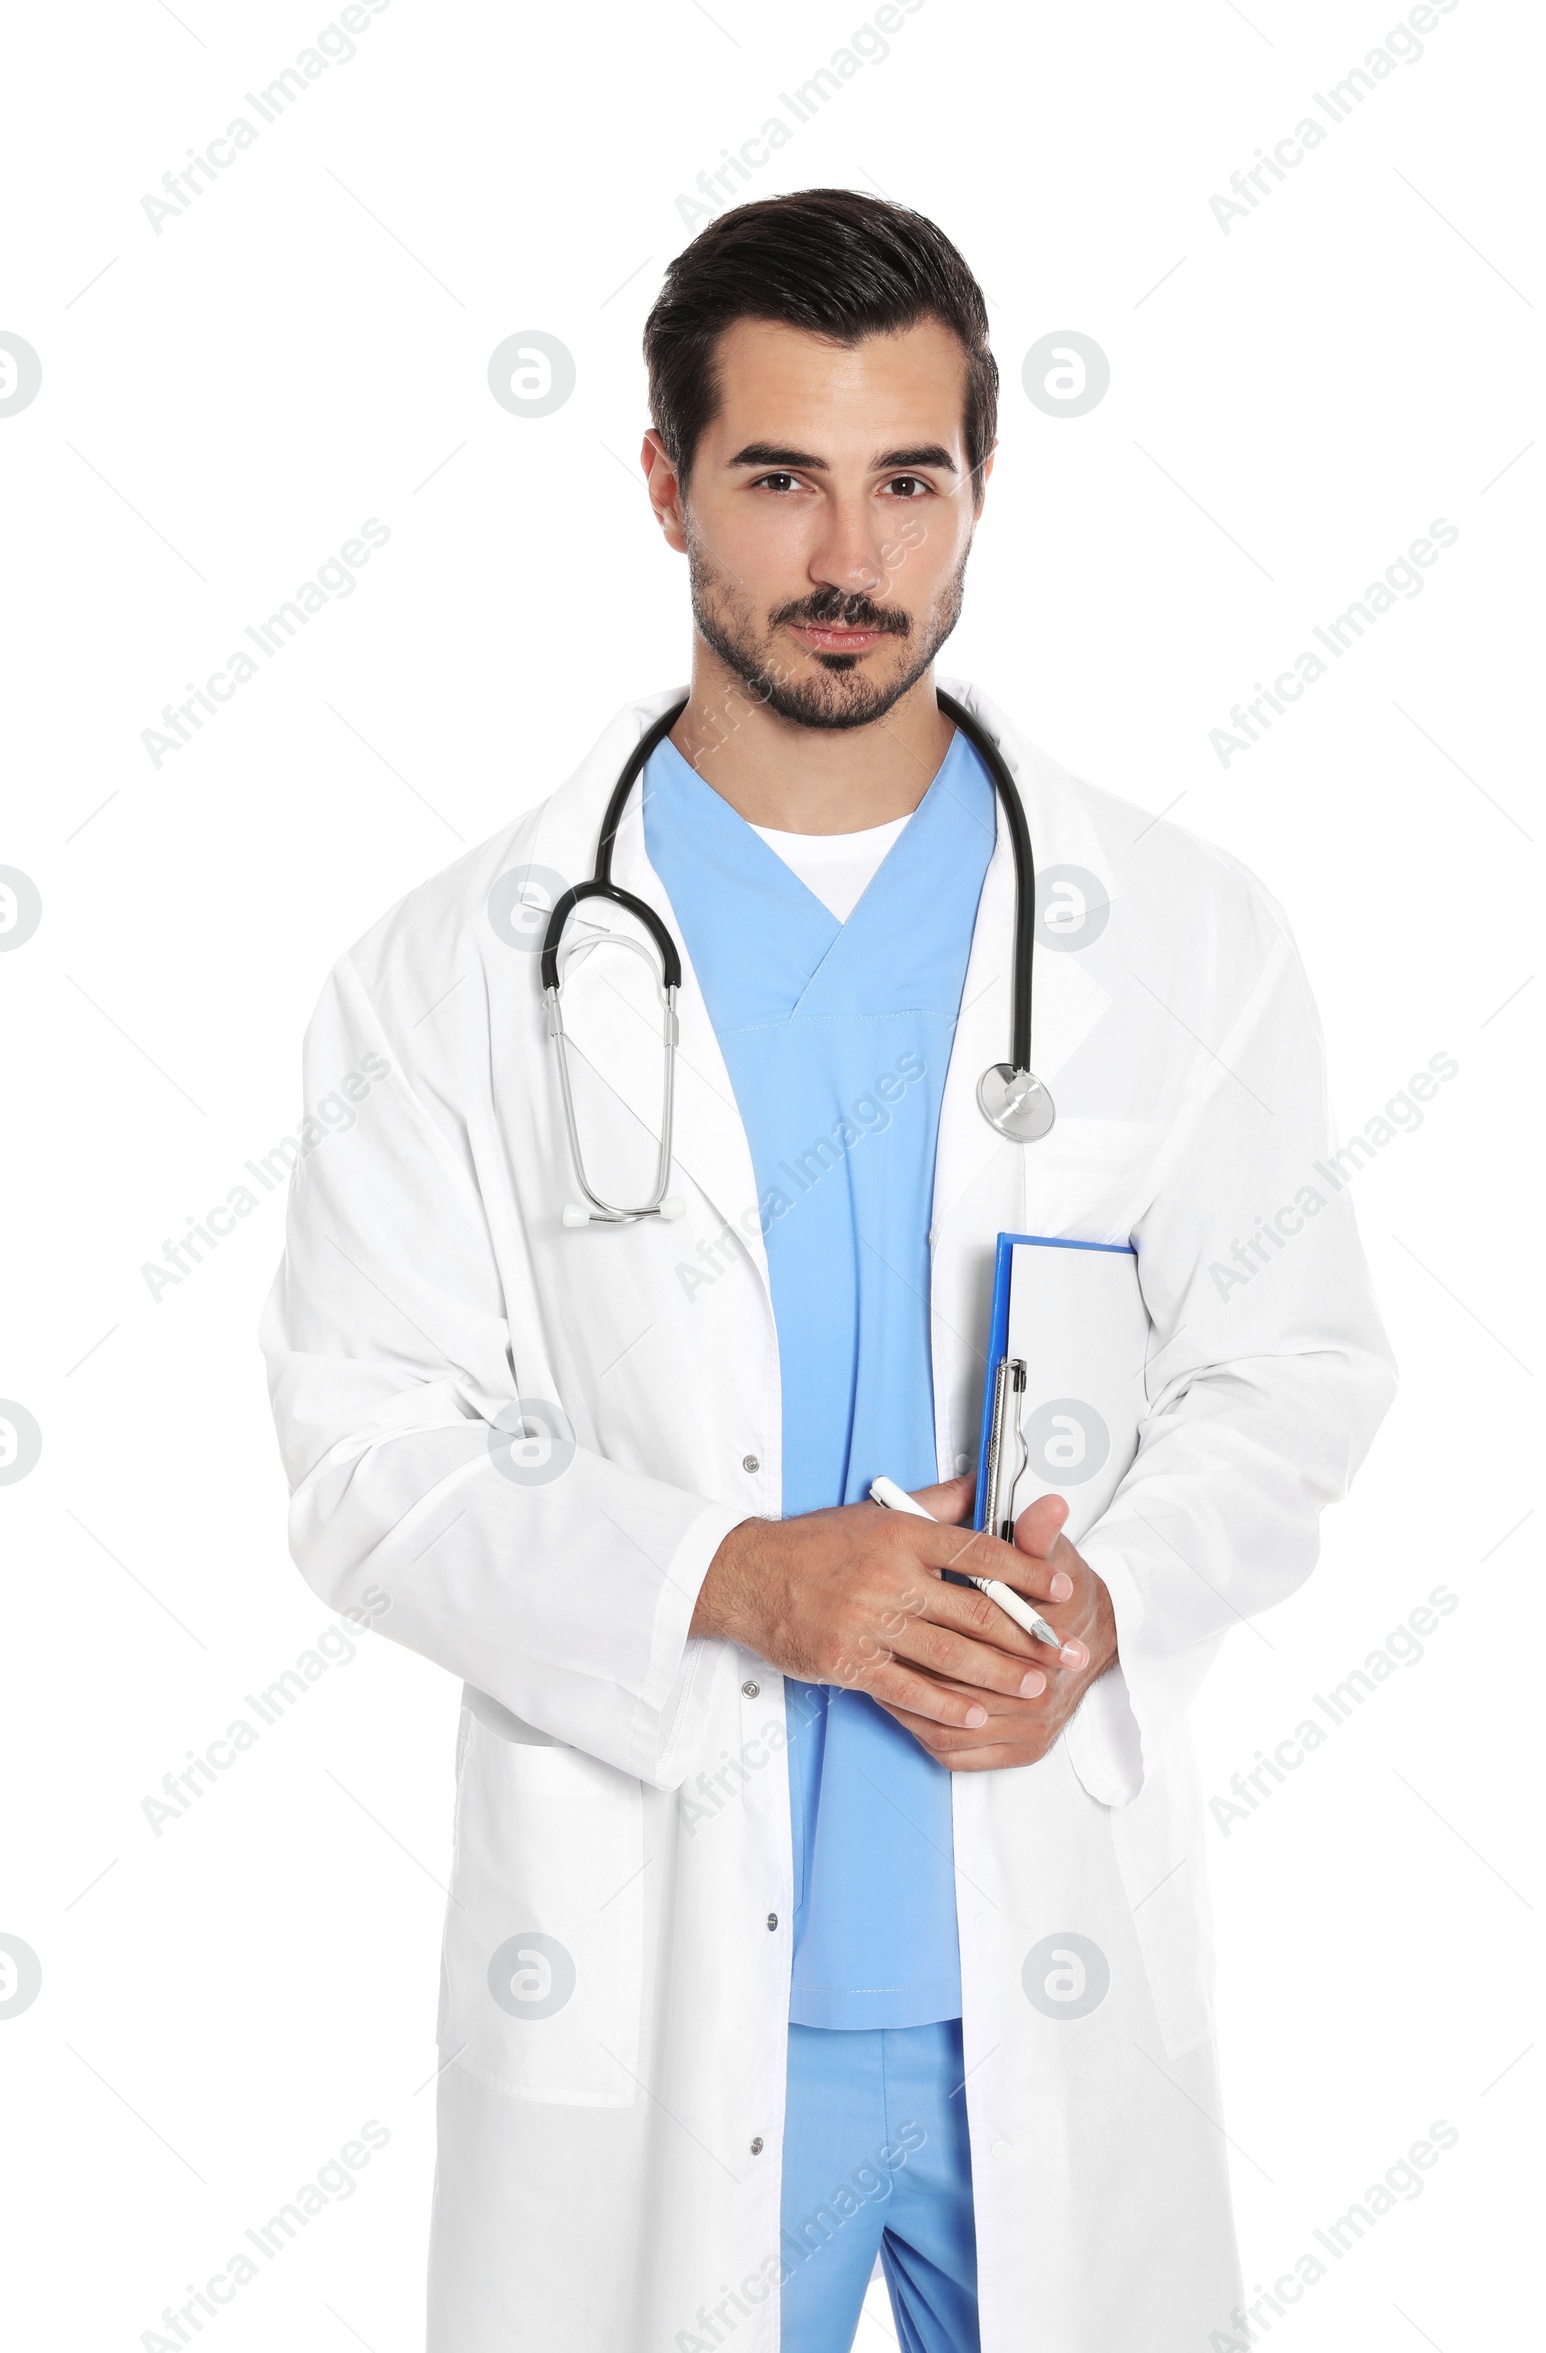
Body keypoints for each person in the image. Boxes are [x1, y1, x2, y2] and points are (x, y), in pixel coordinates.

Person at [260, 188, 1396, 2353]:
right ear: (668, 484)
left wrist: (1114, 1594)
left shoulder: (1177, 936)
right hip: (658, 1989)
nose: (849, 560)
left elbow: (1296, 1367)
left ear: (981, 492)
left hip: (1030, 1975)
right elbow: (361, 1455)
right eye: (778, 478)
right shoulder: (455, 971)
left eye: (908, 481)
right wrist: (724, 1575)